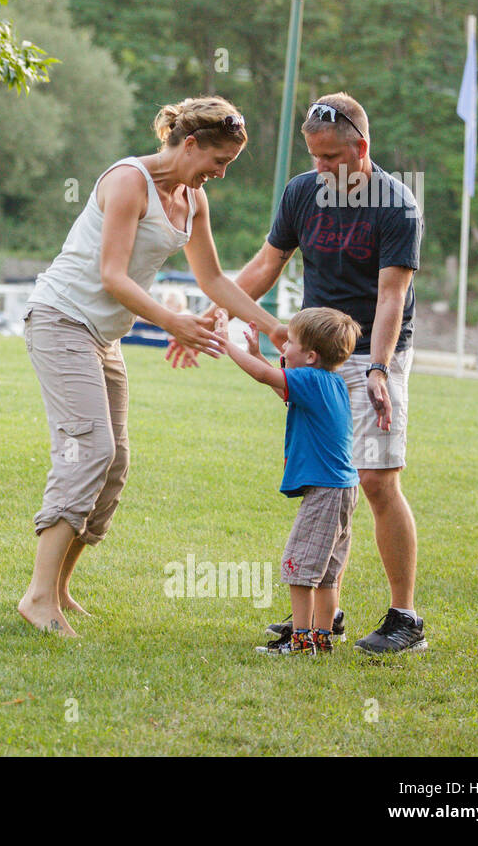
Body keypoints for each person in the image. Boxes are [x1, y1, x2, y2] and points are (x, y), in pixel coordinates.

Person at [17, 96, 289, 637]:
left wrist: (272, 326)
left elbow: (213, 281)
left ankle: (62, 588)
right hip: (61, 320)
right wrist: (174, 323)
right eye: (218, 160)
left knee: (114, 463)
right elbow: (113, 275)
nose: (220, 173)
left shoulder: (192, 199)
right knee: (88, 448)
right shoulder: (128, 181)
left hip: (104, 336)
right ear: (189, 143)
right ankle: (36, 597)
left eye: (227, 164)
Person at [168, 92, 427, 655]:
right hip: (315, 357)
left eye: (332, 157)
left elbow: (391, 297)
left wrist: (380, 368)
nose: (321, 168)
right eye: (314, 156)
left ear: (361, 147)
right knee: (328, 482)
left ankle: (405, 617)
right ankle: (323, 617)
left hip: (374, 353)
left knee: (377, 480)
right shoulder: (302, 193)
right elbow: (266, 264)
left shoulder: (397, 205)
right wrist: (212, 316)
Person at [216, 308, 363, 656]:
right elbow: (277, 382)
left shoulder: (311, 381)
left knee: (299, 568)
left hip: (326, 491)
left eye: (290, 343)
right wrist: (255, 353)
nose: (283, 348)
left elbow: (263, 376)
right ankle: (321, 639)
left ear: (311, 356)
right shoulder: (331, 383)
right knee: (326, 574)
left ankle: (299, 643)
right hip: (343, 489)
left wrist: (227, 343)